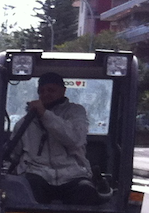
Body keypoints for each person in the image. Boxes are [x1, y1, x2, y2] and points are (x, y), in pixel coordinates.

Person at [9, 72, 99, 205]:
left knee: (86, 191)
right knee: (25, 190)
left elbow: (75, 139)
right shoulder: (24, 123)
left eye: (51, 90)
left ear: (63, 91)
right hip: (37, 173)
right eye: (42, 91)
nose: (46, 94)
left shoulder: (75, 112)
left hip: (72, 174)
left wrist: (45, 115)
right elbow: (13, 154)